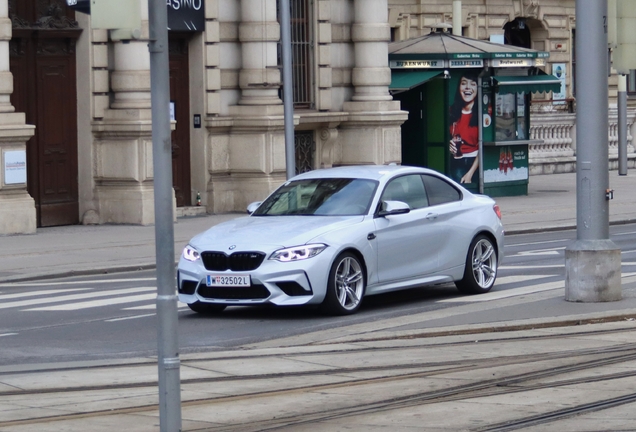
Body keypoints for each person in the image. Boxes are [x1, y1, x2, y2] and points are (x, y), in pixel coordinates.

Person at [449, 73, 479, 184]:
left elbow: (483, 147)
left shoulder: (483, 113)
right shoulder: (451, 111)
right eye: (464, 83)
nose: (468, 87)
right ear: (459, 88)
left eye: (473, 84)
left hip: (475, 162)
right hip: (456, 161)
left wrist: (470, 173)